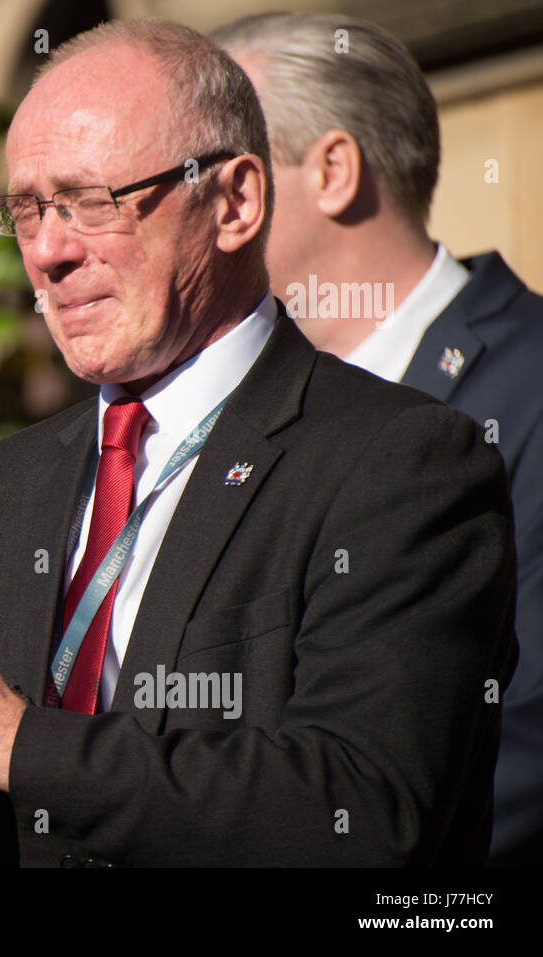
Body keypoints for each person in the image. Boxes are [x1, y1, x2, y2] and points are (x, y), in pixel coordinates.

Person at [0, 19, 517, 866]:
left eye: (92, 201)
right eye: (26, 210)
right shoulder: (5, 484)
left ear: (235, 202)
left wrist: (10, 740)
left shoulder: (401, 461)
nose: (48, 252)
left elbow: (363, 806)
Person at [209, 12, 543, 866]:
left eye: (219, 175)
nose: (187, 213)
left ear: (331, 170)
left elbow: (521, 738)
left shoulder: (528, 386)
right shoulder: (223, 420)